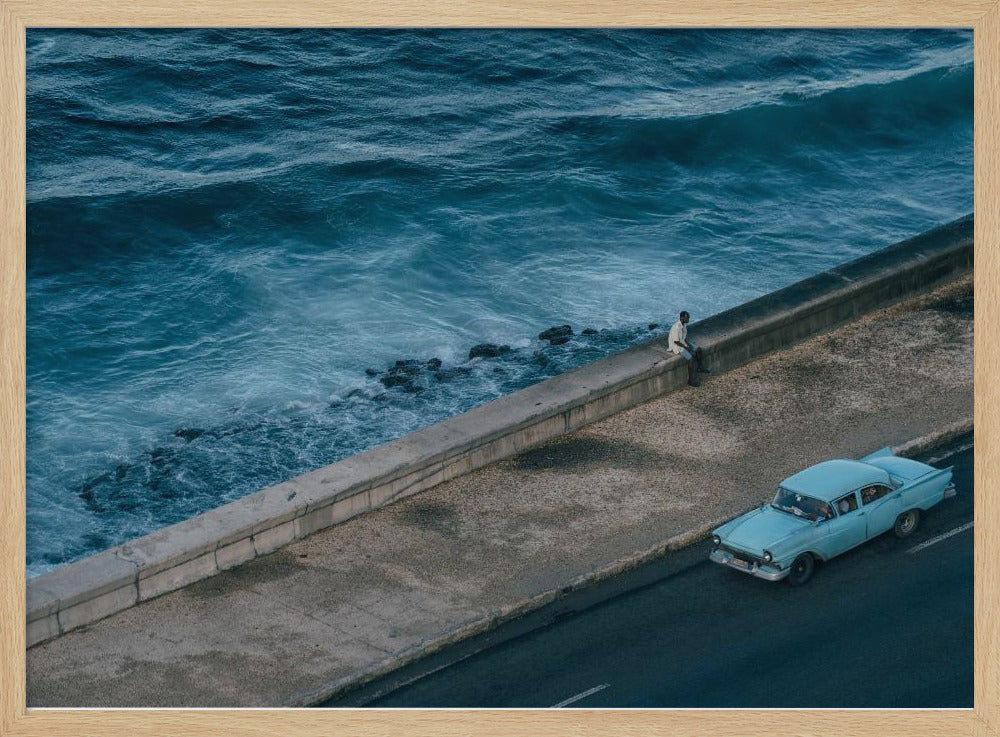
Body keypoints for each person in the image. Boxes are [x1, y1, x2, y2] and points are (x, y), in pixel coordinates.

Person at [668, 310, 709, 386]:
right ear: (682, 318)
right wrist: (688, 348)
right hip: (677, 346)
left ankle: (700, 367)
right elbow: (676, 341)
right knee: (690, 358)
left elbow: (683, 338)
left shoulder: (683, 325)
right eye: (687, 318)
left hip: (682, 343)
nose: (688, 319)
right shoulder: (676, 327)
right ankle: (691, 380)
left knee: (698, 349)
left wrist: (689, 345)